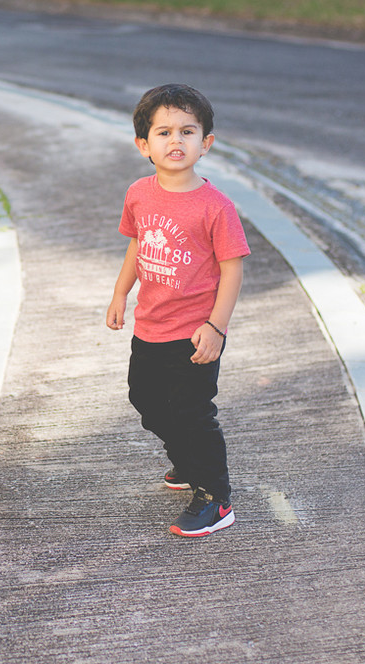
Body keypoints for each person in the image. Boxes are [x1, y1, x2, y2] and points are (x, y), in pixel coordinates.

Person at [105, 83, 250, 537]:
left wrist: (216, 327)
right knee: (145, 401)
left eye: (188, 131)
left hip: (194, 334)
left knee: (192, 414)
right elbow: (137, 245)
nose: (176, 141)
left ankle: (215, 497)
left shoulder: (216, 208)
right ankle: (188, 463)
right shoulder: (139, 193)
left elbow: (232, 271)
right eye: (164, 132)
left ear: (205, 144)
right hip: (149, 326)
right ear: (143, 145)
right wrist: (119, 294)